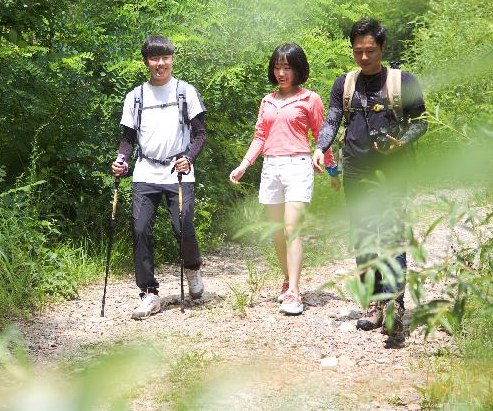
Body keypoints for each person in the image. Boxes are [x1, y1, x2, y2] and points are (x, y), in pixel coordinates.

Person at [312, 18, 427, 342]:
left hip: (393, 169)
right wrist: (320, 148)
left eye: (370, 51)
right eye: (358, 51)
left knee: (391, 233)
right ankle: (375, 303)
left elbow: (422, 121)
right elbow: (333, 118)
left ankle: (394, 304)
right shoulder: (344, 84)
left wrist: (402, 141)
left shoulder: (402, 81)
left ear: (382, 48)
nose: (364, 58)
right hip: (356, 168)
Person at [229, 43, 340, 316]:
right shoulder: (267, 101)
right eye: (277, 67)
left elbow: (321, 135)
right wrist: (244, 164)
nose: (281, 72)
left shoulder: (310, 99)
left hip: (299, 166)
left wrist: (333, 170)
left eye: (287, 67)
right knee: (278, 232)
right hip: (271, 167)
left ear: (298, 69)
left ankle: (295, 292)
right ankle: (287, 280)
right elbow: (260, 136)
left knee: (292, 229)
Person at [111, 35, 207, 320]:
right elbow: (128, 138)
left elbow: (200, 134)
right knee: (140, 229)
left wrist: (188, 158)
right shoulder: (136, 96)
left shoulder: (185, 92)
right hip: (145, 171)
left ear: (172, 59)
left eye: (165, 57)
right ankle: (149, 294)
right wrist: (121, 159)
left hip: (179, 171)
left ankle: (192, 267)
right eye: (154, 58)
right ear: (146, 62)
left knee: (183, 227)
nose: (160, 63)